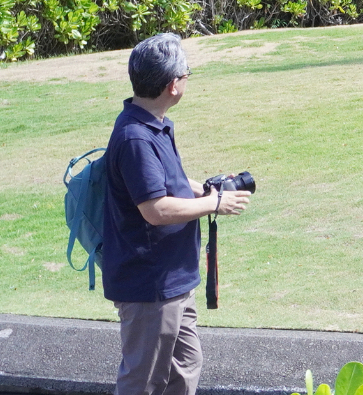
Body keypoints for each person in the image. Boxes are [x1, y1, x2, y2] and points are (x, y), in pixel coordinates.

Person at [102, 35, 251, 395]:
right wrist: (215, 204)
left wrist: (204, 188)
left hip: (173, 280)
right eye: (187, 74)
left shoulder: (155, 123)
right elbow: (156, 210)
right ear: (173, 85)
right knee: (145, 380)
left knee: (184, 367)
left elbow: (167, 180)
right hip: (150, 286)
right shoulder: (136, 137)